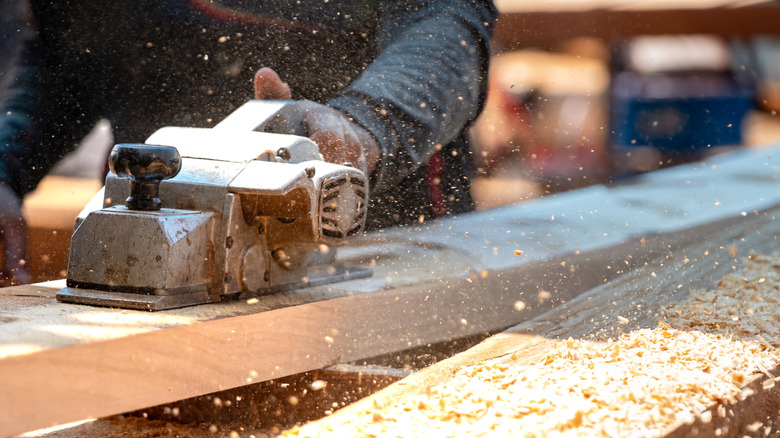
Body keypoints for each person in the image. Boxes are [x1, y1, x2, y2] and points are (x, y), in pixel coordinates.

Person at [0, 0, 498, 284]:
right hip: (149, 269)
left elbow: (444, 24)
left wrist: (363, 125)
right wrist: (7, 165)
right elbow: (66, 52)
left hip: (380, 259)